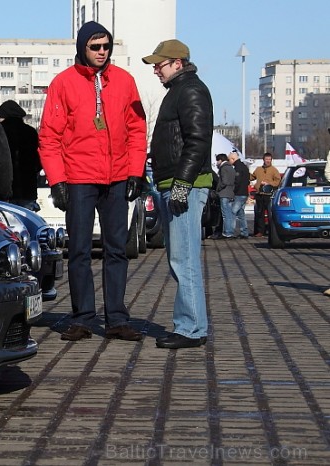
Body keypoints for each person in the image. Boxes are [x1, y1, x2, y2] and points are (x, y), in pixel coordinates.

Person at [39, 21, 147, 342]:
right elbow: (49, 136)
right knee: (80, 251)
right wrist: (57, 181)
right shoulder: (64, 83)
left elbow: (137, 130)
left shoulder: (125, 81)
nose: (102, 52)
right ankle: (83, 317)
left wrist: (136, 171)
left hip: (116, 179)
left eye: (106, 46)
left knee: (117, 250)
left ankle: (116, 318)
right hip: (79, 178)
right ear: (82, 48)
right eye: (95, 47)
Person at [143, 38, 213, 349]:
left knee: (184, 260)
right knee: (179, 259)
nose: (156, 69)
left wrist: (183, 184)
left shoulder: (191, 91)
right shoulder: (179, 92)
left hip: (185, 185)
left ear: (178, 63)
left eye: (160, 63)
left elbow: (197, 141)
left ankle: (191, 328)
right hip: (174, 184)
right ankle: (190, 325)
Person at [0, 100, 42, 211]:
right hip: (27, 189)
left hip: (5, 189)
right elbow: (38, 161)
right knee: (26, 222)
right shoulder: (30, 132)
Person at [250, 152, 281, 237]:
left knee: (270, 213)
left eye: (269, 159)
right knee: (260, 213)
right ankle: (260, 231)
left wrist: (268, 183)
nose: (268, 161)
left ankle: (271, 230)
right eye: (266, 159)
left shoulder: (274, 170)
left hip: (269, 195)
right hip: (259, 194)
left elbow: (277, 181)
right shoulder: (258, 169)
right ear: (263, 160)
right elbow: (252, 177)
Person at [229, 150, 250, 238]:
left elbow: (237, 182)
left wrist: (233, 192)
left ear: (233, 159)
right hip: (244, 192)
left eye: (229, 160)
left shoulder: (237, 168)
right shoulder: (244, 167)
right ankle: (244, 232)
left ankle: (230, 231)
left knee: (232, 212)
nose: (229, 162)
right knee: (241, 213)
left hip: (239, 193)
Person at [214, 153, 236, 239]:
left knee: (225, 214)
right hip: (231, 193)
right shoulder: (231, 168)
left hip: (224, 193)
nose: (216, 163)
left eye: (217, 161)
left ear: (220, 160)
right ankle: (230, 231)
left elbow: (224, 181)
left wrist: (218, 189)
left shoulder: (223, 168)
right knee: (229, 214)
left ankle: (227, 232)